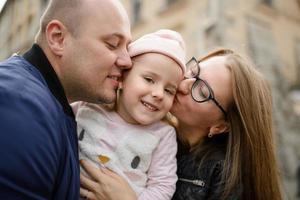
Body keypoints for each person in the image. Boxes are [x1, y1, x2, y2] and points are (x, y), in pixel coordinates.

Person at [80, 48, 283, 200]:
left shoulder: (226, 178)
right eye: (193, 73)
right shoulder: (149, 128)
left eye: (203, 92)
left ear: (221, 126)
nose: (184, 85)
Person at [0, 0, 132, 199]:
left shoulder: (43, 101)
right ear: (58, 38)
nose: (127, 61)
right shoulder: (20, 108)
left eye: (127, 48)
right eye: (112, 44)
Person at [73, 29, 186, 200]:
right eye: (149, 79)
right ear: (122, 79)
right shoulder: (88, 106)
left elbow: (162, 187)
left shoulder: (162, 135)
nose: (159, 94)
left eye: (169, 90)